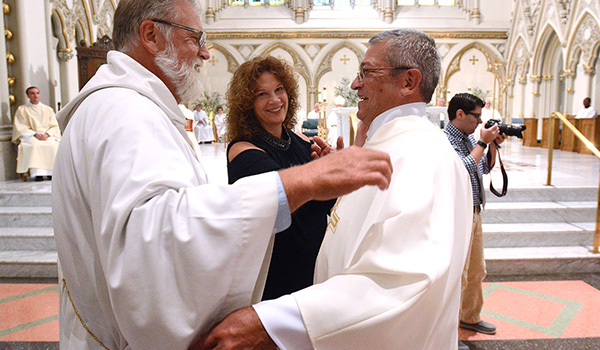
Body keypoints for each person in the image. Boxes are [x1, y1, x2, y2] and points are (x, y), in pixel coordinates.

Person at [51, 1, 393, 349]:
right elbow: (157, 238)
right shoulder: (124, 113)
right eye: (194, 38)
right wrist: (306, 180)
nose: (204, 52)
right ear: (151, 35)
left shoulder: (128, 108)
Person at [194, 29, 473, 350]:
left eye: (366, 72)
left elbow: (399, 284)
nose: (354, 84)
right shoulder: (393, 145)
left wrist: (271, 323)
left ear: (408, 82)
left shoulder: (419, 155)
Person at [225, 56, 336, 301]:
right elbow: (281, 203)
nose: (275, 100)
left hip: (315, 267)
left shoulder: (302, 142)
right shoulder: (242, 150)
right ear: (247, 103)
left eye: (279, 89)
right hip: (277, 272)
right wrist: (327, 173)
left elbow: (327, 203)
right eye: (261, 94)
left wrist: (328, 172)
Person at [444, 92, 507, 337]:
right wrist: (482, 142)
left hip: (474, 210)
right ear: (460, 114)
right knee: (457, 273)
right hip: (457, 213)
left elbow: (481, 168)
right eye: (476, 116)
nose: (480, 122)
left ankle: (469, 317)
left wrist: (491, 144)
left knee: (476, 270)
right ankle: (447, 331)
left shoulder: (470, 138)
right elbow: (462, 169)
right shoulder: (445, 139)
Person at [11, 86, 61, 181]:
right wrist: (34, 134)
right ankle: (38, 174)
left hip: (46, 136)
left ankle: (51, 173)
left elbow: (54, 125)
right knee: (34, 145)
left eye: (37, 93)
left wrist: (47, 134)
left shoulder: (48, 109)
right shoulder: (22, 109)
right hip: (32, 136)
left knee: (53, 145)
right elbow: (21, 126)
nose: (35, 96)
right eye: (32, 93)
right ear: (28, 96)